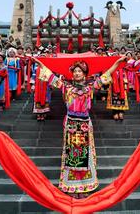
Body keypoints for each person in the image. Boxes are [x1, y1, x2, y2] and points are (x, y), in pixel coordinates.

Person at [33, 55, 128, 199]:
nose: (77, 73)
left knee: (85, 155)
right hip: (71, 123)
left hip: (84, 124)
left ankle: (85, 186)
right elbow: (50, 76)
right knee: (72, 155)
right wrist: (40, 63)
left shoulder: (90, 87)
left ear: (84, 74)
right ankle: (71, 186)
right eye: (75, 71)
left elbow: (106, 75)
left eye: (79, 71)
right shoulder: (66, 86)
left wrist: (117, 63)